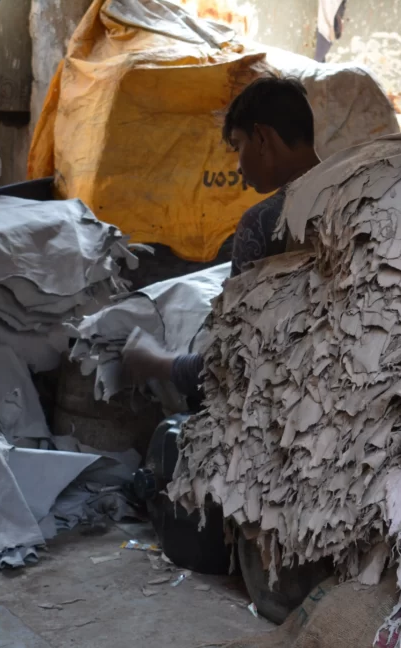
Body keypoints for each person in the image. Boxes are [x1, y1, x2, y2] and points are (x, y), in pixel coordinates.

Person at [122, 76, 321, 408]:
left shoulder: (264, 222)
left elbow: (230, 367)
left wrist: (153, 361)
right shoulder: (357, 193)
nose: (238, 166)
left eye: (237, 146)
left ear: (262, 138)